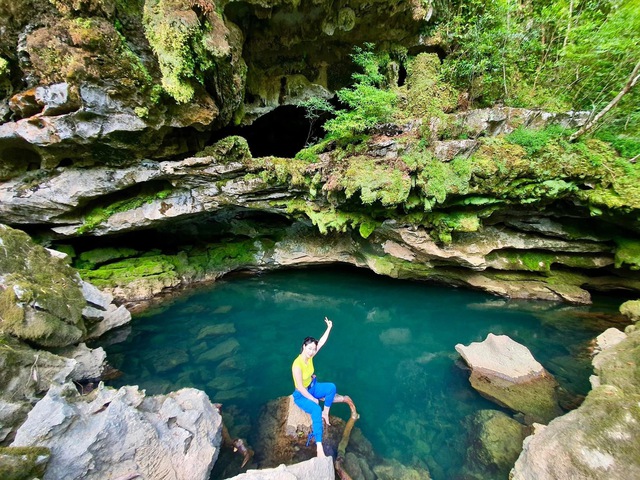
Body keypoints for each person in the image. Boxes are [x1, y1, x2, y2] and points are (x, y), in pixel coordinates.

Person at [291, 316, 350, 458]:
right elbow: (299, 387)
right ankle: (319, 446)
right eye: (309, 348)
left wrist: (329, 327)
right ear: (304, 346)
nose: (312, 351)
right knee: (315, 409)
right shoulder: (297, 365)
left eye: (313, 349)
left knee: (331, 388)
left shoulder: (310, 357)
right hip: (301, 395)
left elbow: (321, 342)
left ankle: (326, 412)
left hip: (312, 386)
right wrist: (313, 399)